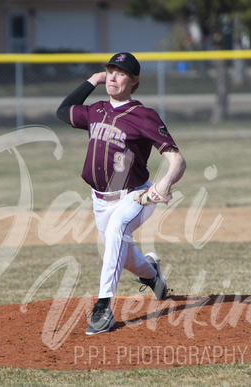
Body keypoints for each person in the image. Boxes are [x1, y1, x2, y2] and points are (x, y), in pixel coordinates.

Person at [56, 52, 186, 335]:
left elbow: (177, 160)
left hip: (135, 195)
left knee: (117, 231)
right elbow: (62, 109)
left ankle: (103, 309)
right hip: (99, 199)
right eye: (110, 71)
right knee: (124, 256)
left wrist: (163, 185)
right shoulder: (96, 110)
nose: (113, 76)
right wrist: (93, 79)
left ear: (134, 80)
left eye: (121, 73)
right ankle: (152, 274)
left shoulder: (144, 116)